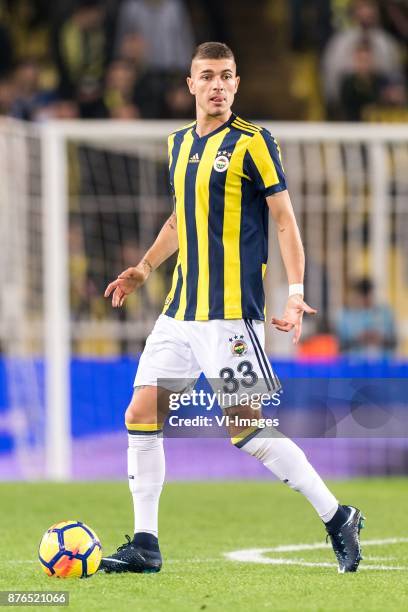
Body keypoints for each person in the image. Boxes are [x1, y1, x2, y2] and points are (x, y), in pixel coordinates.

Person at [102, 42, 364, 575]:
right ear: (190, 84)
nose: (217, 84)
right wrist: (144, 268)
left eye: (225, 76)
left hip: (231, 317)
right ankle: (147, 545)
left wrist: (295, 290)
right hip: (178, 313)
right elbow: (181, 219)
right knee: (140, 414)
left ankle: (338, 516)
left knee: (248, 430)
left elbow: (284, 219)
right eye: (207, 76)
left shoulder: (254, 142)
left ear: (237, 84)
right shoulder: (176, 145)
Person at [336, 277, 397, 358]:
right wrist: (358, 339)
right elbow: (339, 345)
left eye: (367, 297)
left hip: (381, 363)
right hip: (353, 364)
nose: (364, 302)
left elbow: (394, 342)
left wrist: (380, 339)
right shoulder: (345, 316)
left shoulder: (385, 314)